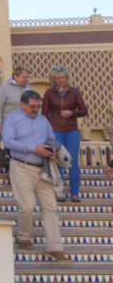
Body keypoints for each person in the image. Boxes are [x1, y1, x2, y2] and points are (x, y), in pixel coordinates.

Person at [3, 90, 69, 261]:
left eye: (37, 106)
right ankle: (24, 236)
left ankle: (54, 247)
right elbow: (8, 142)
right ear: (22, 105)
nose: (35, 109)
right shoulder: (12, 119)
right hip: (21, 167)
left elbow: (51, 138)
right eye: (32, 106)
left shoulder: (43, 120)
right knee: (27, 205)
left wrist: (52, 148)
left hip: (43, 169)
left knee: (51, 206)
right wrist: (34, 148)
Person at [42, 66, 87, 203]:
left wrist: (71, 113)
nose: (61, 80)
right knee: (58, 161)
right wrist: (47, 130)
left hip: (72, 131)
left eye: (63, 77)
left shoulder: (74, 92)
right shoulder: (49, 93)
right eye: (58, 78)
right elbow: (44, 114)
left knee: (72, 162)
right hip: (55, 131)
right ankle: (59, 192)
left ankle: (75, 193)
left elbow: (84, 110)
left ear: (67, 78)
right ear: (53, 79)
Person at [0, 65, 31, 135]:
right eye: (24, 77)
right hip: (10, 126)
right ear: (16, 76)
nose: (26, 79)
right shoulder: (5, 88)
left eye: (27, 77)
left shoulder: (29, 88)